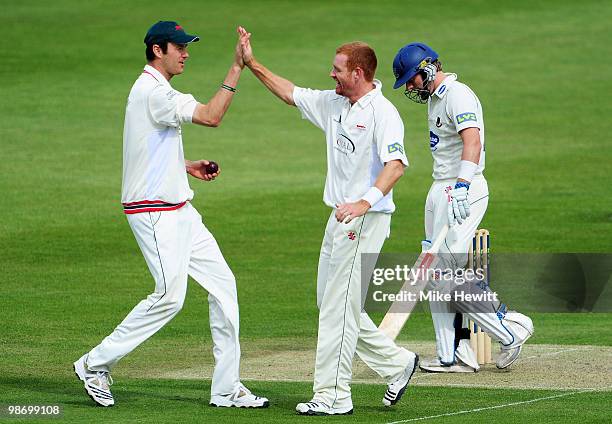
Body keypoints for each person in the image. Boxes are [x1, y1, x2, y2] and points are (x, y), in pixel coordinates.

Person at [73, 21, 268, 409]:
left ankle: (226, 388)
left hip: (180, 208)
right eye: (179, 46)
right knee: (169, 297)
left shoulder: (156, 90)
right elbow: (212, 116)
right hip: (154, 213)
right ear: (158, 50)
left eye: (186, 46)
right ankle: (95, 364)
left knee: (223, 285)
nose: (186, 53)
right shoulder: (152, 92)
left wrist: (187, 164)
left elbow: (147, 151)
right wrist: (237, 67)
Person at [236, 27, 418, 415]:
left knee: (339, 308)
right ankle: (397, 363)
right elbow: (290, 93)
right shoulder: (334, 104)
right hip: (339, 218)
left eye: (338, 70)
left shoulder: (383, 113)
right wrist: (251, 64)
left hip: (364, 220)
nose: (331, 75)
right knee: (333, 303)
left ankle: (334, 395)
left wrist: (363, 204)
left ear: (359, 73)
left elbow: (396, 166)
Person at [391, 42, 534, 372]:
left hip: (464, 189)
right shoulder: (435, 100)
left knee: (447, 276)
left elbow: (473, 142)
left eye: (412, 79)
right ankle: (451, 355)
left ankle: (509, 332)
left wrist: (462, 186)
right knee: (432, 271)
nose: (410, 87)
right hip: (440, 189)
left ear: (427, 69)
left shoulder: (458, 95)